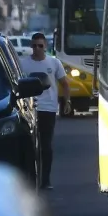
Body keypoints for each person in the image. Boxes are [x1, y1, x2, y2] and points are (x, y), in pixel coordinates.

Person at [19, 33, 70, 189]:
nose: (37, 49)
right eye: (34, 45)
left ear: (45, 47)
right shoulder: (23, 64)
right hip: (29, 109)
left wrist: (67, 101)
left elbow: (65, 84)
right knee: (29, 146)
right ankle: (29, 180)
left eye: (40, 46)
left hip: (48, 109)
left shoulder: (54, 63)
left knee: (46, 146)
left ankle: (45, 180)